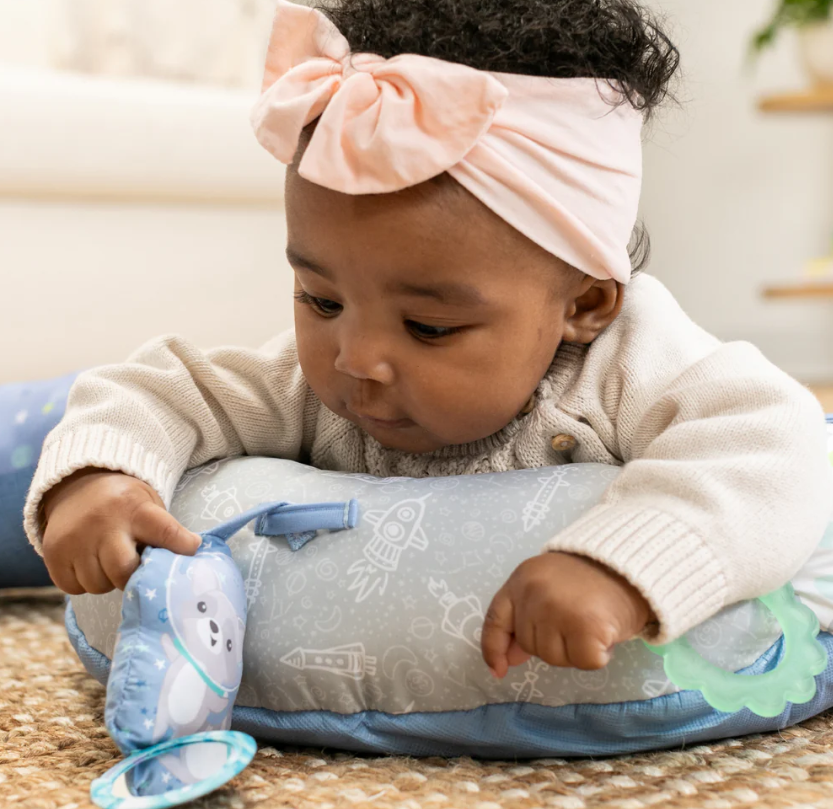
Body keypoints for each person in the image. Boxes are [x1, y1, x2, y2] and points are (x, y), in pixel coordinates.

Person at [25, 0, 831, 680]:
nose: (355, 359)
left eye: (428, 326)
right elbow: (158, 388)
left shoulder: (628, 362)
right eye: (320, 297)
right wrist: (98, 477)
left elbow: (776, 447)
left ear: (583, 303)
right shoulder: (310, 385)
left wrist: (619, 567)